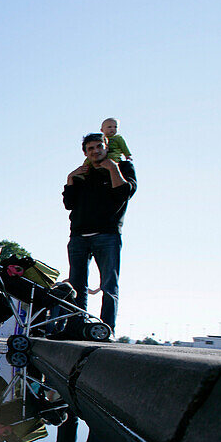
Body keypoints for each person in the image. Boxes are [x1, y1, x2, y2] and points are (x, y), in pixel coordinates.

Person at [63, 132, 137, 333]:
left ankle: (106, 329)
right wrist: (71, 178)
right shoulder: (83, 173)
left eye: (99, 147)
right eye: (91, 149)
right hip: (79, 236)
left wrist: (113, 168)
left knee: (108, 284)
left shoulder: (122, 167)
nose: (95, 151)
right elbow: (69, 204)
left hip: (107, 234)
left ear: (106, 147)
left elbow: (124, 194)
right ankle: (76, 327)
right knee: (76, 286)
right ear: (86, 152)